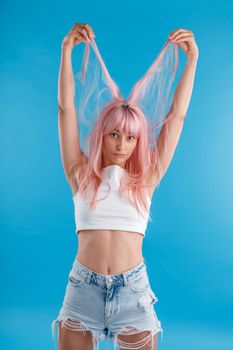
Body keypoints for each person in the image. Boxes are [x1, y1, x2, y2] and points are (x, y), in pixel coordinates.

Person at [51, 23, 199, 350]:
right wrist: (66, 52)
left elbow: (177, 118)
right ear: (101, 136)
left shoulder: (146, 180)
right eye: (114, 134)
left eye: (131, 137)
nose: (122, 144)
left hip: (133, 292)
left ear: (138, 141)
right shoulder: (80, 174)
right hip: (83, 290)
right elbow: (66, 111)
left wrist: (192, 62)